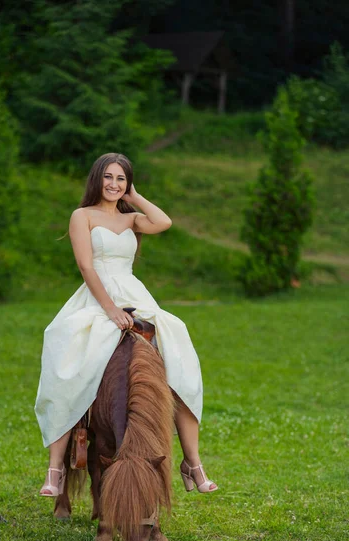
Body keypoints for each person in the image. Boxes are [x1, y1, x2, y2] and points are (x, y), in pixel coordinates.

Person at [35, 153, 217, 497]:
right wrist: (110, 310)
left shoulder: (132, 218)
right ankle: (56, 468)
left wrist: (134, 197)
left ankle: (192, 462)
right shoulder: (82, 216)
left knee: (178, 352)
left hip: (135, 293)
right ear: (96, 179)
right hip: (97, 295)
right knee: (64, 356)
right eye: (108, 177)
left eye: (121, 178)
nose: (113, 184)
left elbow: (164, 222)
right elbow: (86, 267)